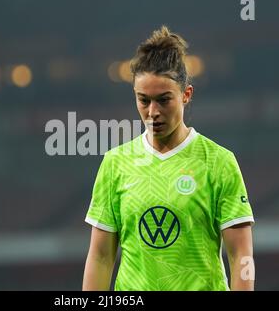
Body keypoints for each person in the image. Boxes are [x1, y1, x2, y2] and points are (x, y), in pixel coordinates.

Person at [82, 26, 255, 291]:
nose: (153, 112)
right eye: (144, 100)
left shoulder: (219, 162)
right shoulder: (116, 163)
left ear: (186, 95)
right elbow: (101, 257)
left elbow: (241, 255)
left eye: (164, 100)